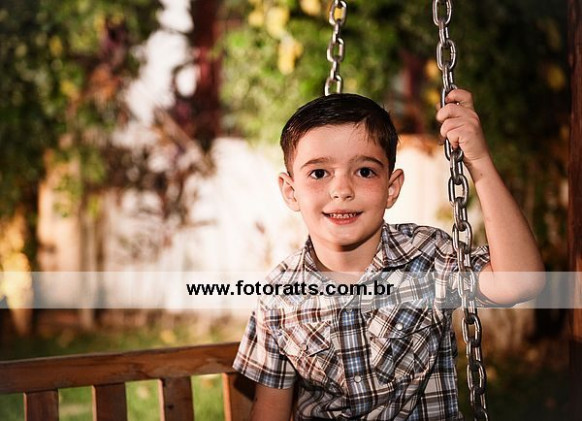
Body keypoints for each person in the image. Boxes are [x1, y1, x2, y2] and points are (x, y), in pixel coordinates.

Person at [233, 89, 545, 420]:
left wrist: (478, 161)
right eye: (319, 173)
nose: (342, 190)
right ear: (290, 191)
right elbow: (271, 410)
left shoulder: (427, 257)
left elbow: (520, 283)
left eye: (365, 171)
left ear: (391, 187)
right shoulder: (279, 296)